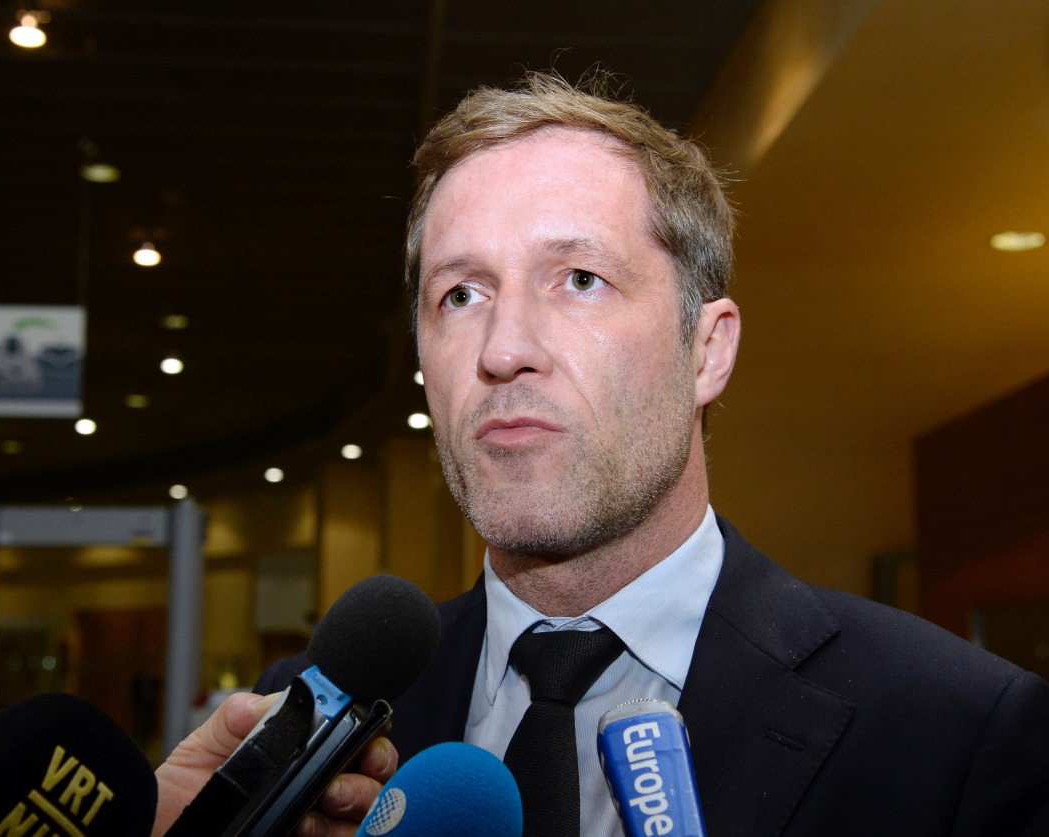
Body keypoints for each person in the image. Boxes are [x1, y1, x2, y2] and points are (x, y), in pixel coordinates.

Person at [154, 73, 1049, 837]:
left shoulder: (958, 731)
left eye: (579, 279)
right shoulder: (301, 729)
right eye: (460, 294)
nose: (504, 347)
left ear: (707, 350)